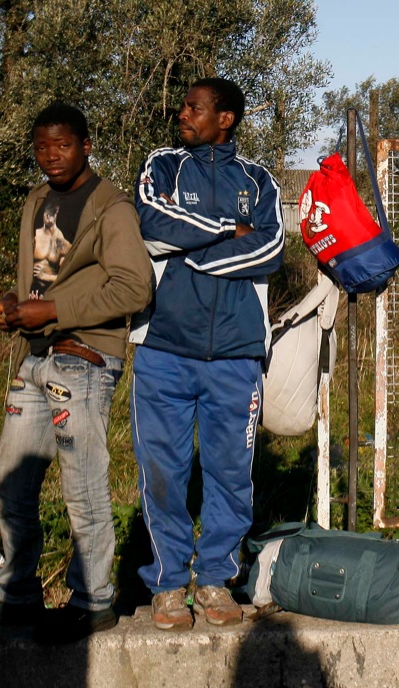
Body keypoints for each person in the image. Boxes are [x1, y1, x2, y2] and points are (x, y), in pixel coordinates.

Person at [0, 103, 153, 643]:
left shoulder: (111, 207)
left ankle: (93, 601)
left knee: (83, 485)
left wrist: (52, 311)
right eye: (42, 147)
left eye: (63, 145)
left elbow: (134, 287)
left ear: (86, 146)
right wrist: (13, 305)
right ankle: (19, 594)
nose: (51, 156)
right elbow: (41, 280)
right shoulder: (36, 200)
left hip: (85, 359)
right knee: (10, 481)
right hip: (35, 357)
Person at [130, 77, 284, 631]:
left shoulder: (259, 180)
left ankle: (216, 578)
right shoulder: (163, 165)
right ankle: (169, 584)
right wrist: (224, 230)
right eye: (183, 107)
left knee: (230, 473)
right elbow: (152, 223)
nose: (182, 114)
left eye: (194, 108)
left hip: (237, 354)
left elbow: (270, 247)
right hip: (164, 348)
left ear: (226, 118)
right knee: (163, 472)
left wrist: (196, 256)